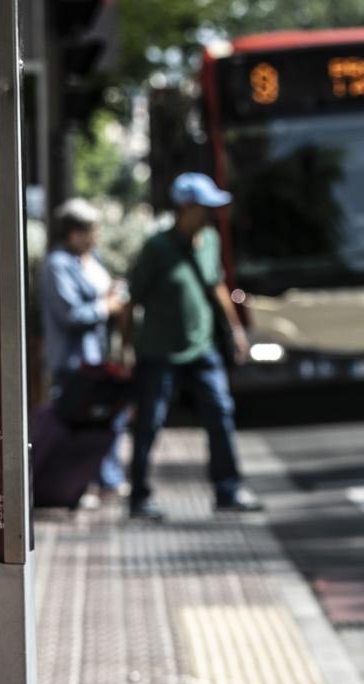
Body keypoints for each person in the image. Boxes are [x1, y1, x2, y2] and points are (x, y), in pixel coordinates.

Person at [125, 172, 261, 521]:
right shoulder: (157, 248)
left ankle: (227, 491)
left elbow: (217, 286)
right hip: (160, 351)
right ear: (185, 208)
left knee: (221, 413)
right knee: (150, 422)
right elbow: (132, 299)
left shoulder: (210, 239)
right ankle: (139, 497)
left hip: (203, 348)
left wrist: (236, 331)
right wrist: (126, 348)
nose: (211, 214)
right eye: (205, 207)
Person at [39, 197, 130, 508]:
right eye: (92, 230)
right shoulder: (57, 265)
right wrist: (106, 307)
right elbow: (70, 314)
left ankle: (108, 481)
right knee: (74, 424)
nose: (96, 236)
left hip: (97, 357)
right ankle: (78, 487)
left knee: (107, 420)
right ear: (74, 232)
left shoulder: (93, 258)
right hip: (73, 360)